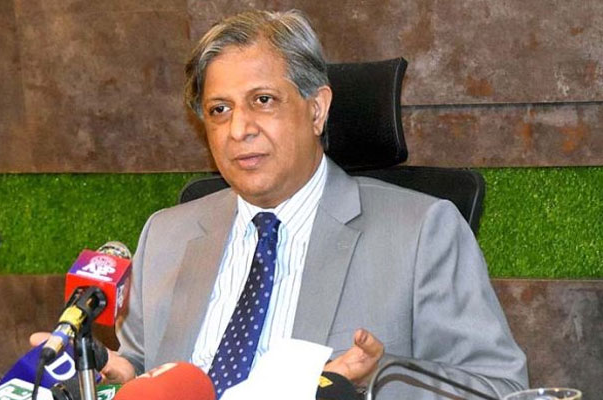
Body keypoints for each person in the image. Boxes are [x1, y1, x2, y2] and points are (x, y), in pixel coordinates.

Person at [33, 9, 527, 399]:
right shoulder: (167, 234)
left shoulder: (421, 231)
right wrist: (120, 378)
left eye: (263, 100)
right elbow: (144, 367)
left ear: (316, 110)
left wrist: (376, 381)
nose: (239, 129)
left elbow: (502, 389)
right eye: (219, 109)